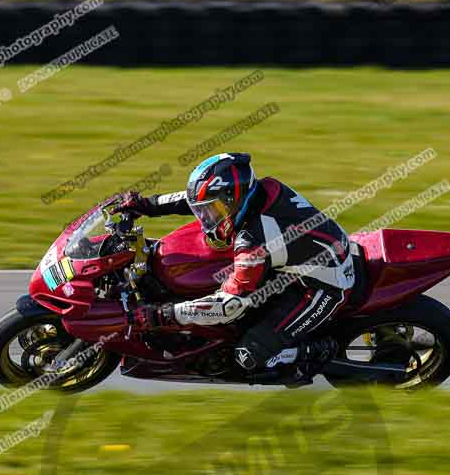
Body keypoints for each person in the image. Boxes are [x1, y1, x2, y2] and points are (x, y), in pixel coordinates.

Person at [115, 153, 355, 384]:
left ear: (234, 199)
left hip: (323, 286)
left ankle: (313, 352)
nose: (206, 218)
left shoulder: (253, 241)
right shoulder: (259, 190)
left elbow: (229, 305)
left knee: (247, 356)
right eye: (206, 210)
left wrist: (164, 314)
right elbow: (195, 200)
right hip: (298, 264)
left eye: (212, 211)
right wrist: (146, 205)